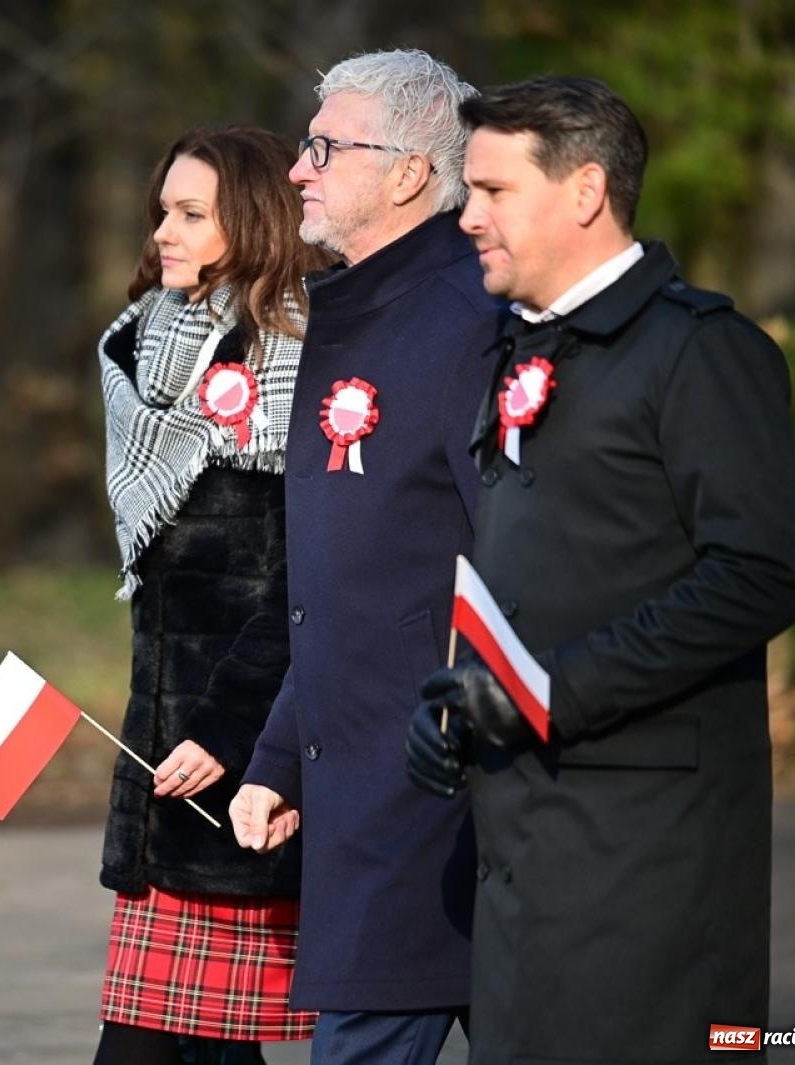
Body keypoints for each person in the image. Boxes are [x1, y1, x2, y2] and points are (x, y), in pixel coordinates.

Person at [406, 76, 795, 1064]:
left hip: (647, 862)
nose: (467, 216)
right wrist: (468, 702)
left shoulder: (697, 351)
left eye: (494, 191)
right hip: (524, 846)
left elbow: (758, 575)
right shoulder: (521, 347)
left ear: (584, 191)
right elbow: (536, 569)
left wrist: (549, 692)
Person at [227, 50, 503, 1065]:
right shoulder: (355, 314)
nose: (298, 169)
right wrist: (274, 757)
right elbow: (351, 578)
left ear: (405, 175)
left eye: (324, 147)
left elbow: (509, 566)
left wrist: (458, 728)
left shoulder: (466, 323)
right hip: (358, 792)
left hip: (436, 796)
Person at [93, 126, 328, 1065]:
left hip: (247, 759)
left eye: (192, 214)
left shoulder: (301, 356)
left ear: (257, 222)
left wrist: (232, 732)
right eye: (163, 211)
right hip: (160, 754)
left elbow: (304, 582)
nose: (163, 232)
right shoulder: (143, 341)